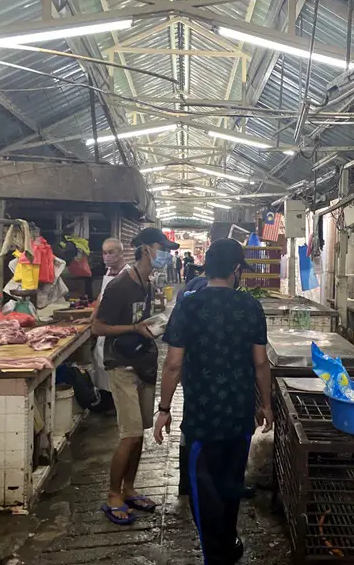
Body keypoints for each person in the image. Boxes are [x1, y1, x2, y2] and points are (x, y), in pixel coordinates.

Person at [154, 239, 273, 564]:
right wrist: (266, 404)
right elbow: (261, 363)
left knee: (203, 491)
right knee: (231, 483)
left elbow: (173, 364)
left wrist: (163, 410)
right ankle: (227, 540)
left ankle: (217, 553)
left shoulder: (188, 305)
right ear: (236, 270)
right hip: (238, 416)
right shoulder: (250, 306)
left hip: (201, 420)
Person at [92, 228, 180, 525]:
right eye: (161, 247)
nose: (165, 253)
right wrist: (133, 329)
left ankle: (129, 489)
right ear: (145, 249)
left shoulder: (147, 282)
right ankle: (112, 495)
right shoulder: (119, 286)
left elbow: (141, 319)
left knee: (139, 432)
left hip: (143, 363)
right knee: (128, 435)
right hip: (122, 366)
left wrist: (155, 322)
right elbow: (97, 328)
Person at [90, 238, 128, 395]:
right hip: (103, 326)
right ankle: (106, 398)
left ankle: (114, 402)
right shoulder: (108, 272)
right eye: (104, 253)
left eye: (111, 252)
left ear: (120, 253)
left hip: (116, 327)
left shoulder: (126, 274)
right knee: (100, 363)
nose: (107, 256)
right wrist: (91, 317)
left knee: (114, 368)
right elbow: (101, 296)